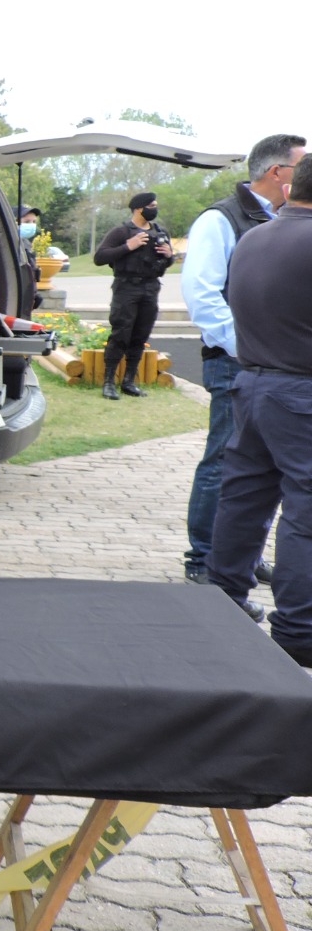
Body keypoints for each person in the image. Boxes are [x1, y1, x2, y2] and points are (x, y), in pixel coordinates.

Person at [180, 133, 305, 589]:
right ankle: (204, 557)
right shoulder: (221, 219)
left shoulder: (273, 220)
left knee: (261, 475)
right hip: (238, 360)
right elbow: (203, 296)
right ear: (278, 173)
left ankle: (240, 557)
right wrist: (248, 344)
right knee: (225, 464)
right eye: (301, 166)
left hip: (266, 363)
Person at [207, 152, 312, 663]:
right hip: (300, 392)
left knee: (245, 498)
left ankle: (221, 600)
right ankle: (298, 629)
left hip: (252, 383)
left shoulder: (256, 237)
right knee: (305, 513)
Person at [92, 192, 173, 399]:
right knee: (121, 333)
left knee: (140, 336)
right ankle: (109, 382)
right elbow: (100, 257)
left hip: (150, 287)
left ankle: (129, 381)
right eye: (151, 205)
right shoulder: (121, 231)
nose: (155, 209)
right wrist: (129, 245)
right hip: (126, 287)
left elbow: (165, 261)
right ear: (139, 208)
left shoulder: (160, 231)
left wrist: (169, 256)